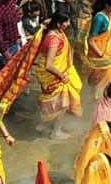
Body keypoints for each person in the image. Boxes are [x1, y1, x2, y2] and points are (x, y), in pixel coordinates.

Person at [35, 11, 81, 139]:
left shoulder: (55, 30)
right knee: (62, 104)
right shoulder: (54, 40)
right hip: (55, 76)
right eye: (65, 22)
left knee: (52, 101)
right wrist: (62, 76)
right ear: (58, 23)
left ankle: (42, 125)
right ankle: (56, 131)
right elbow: (49, 65)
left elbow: (47, 22)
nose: (68, 24)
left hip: (58, 72)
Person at [84, 0, 111, 94]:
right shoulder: (99, 18)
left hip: (108, 48)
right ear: (107, 5)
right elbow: (91, 40)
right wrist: (101, 55)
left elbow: (110, 32)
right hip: (98, 51)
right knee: (102, 77)